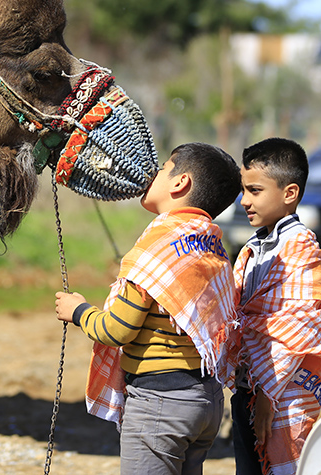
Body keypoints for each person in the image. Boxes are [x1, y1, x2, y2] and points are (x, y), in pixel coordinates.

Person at [55, 142, 242, 475]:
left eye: (162, 168)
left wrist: (78, 310)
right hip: (206, 401)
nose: (152, 174)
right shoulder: (213, 245)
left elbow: (116, 330)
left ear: (179, 183)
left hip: (162, 405)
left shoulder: (156, 248)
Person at [225, 137, 321, 475]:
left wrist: (265, 399)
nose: (244, 201)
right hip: (249, 388)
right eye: (243, 191)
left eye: (254, 191)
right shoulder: (254, 248)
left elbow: (298, 330)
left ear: (290, 194)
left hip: (281, 395)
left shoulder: (299, 248)